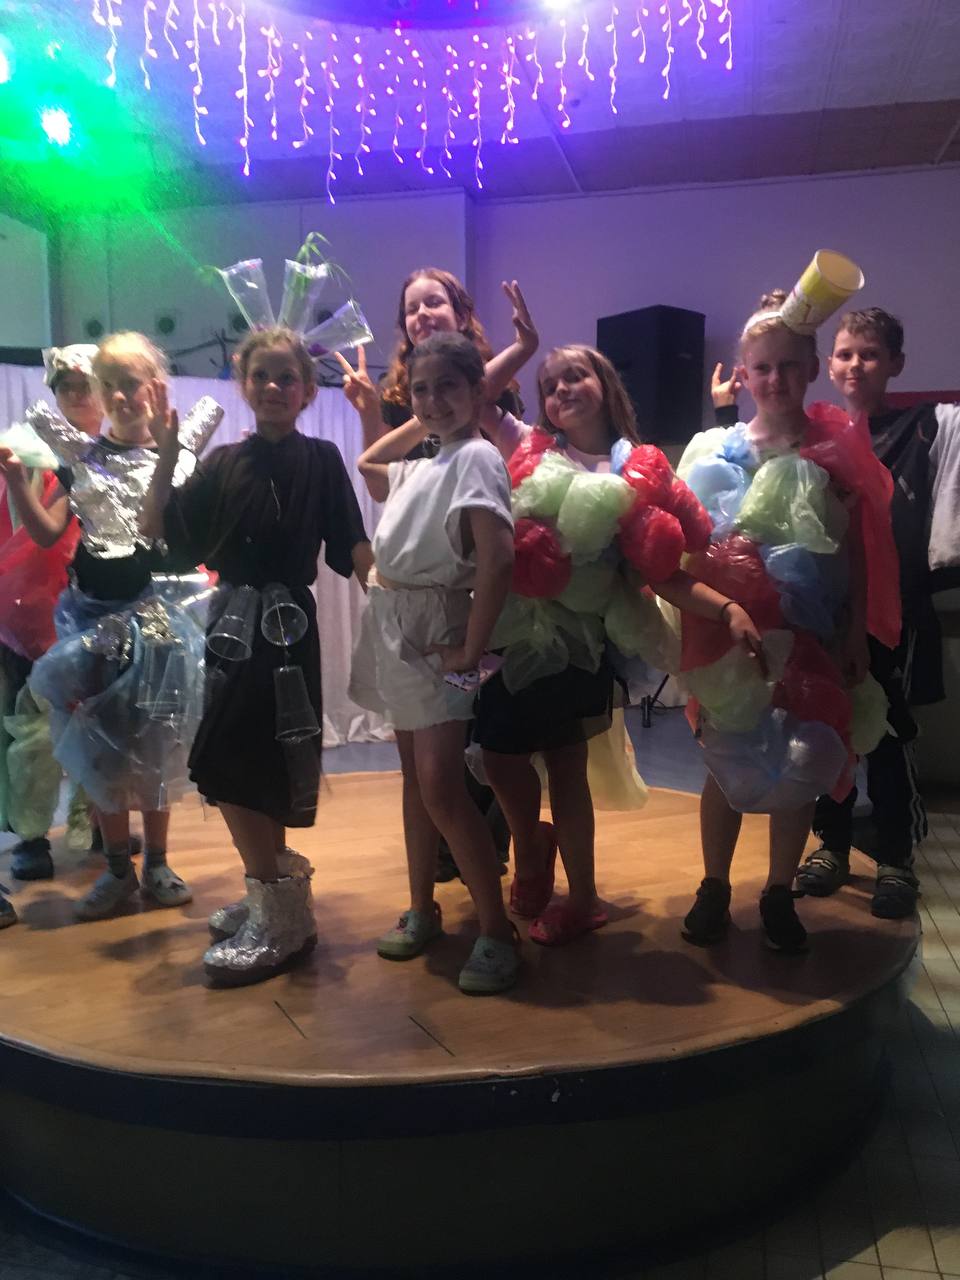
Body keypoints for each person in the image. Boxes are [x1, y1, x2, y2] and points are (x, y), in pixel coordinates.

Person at [473, 344, 762, 947]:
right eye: (550, 384)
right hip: (512, 633)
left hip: (582, 645)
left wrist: (727, 607)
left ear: (605, 383)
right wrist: (522, 348)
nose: (562, 389)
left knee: (567, 769)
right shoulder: (531, 445)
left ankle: (582, 899)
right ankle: (531, 845)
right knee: (498, 758)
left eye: (576, 375)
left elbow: (664, 573)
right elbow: (477, 397)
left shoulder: (640, 468)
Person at [142, 325, 372, 987]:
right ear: (243, 385)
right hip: (229, 629)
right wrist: (166, 458)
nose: (273, 386)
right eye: (261, 375)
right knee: (224, 760)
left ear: (307, 390)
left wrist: (393, 603)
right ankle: (274, 896)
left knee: (260, 762)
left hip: (287, 629)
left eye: (286, 377)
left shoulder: (322, 459)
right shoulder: (220, 463)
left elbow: (351, 543)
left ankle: (279, 912)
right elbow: (160, 534)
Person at [715, 307, 960, 918]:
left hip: (884, 608)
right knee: (822, 730)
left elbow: (864, 539)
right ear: (827, 364)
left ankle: (897, 857)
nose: (856, 365)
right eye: (846, 354)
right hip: (814, 616)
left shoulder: (921, 428)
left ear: (895, 364)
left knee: (888, 732)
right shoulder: (819, 430)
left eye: (869, 354)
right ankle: (832, 843)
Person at [681, 290, 900, 950]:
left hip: (813, 634)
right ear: (744, 375)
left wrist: (855, 630)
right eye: (762, 367)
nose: (774, 379)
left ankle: (779, 892)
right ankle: (714, 886)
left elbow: (857, 547)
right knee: (723, 759)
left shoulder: (834, 450)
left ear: (809, 369)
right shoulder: (716, 451)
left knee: (801, 754)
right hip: (730, 636)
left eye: (787, 365)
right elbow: (693, 548)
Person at [1, 333, 216, 921]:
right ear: (99, 392)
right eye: (110, 385)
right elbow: (46, 532)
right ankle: (118, 867)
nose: (121, 395)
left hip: (158, 621)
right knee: (99, 746)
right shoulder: (83, 461)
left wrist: (168, 455)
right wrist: (17, 480)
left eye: (132, 383)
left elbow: (160, 531)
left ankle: (158, 863)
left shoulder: (179, 457)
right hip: (91, 622)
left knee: (157, 740)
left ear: (155, 388)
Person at [344, 331, 520, 994]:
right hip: (395, 621)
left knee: (440, 786)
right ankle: (422, 907)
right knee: (417, 783)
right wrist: (422, 417)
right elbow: (368, 463)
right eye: (420, 389)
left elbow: (498, 558)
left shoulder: (475, 455)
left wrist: (471, 649)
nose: (432, 399)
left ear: (479, 390)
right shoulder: (431, 458)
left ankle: (496, 931)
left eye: (448, 386)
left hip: (433, 624)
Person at [348, 270, 538, 883]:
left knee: (467, 766)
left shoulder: (477, 439)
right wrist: (394, 413)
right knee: (431, 777)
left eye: (434, 301)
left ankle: (501, 878)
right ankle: (436, 891)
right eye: (412, 307)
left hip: (462, 604)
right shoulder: (427, 420)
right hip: (412, 619)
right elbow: (379, 475)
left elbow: (497, 551)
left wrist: (522, 349)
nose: (422, 313)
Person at [0, 347, 101, 926]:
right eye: (67, 387)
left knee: (101, 722)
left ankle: (98, 821)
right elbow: (22, 534)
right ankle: (32, 834)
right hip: (33, 615)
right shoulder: (30, 454)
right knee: (34, 732)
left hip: (101, 609)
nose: (78, 396)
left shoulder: (119, 452)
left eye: (87, 385)